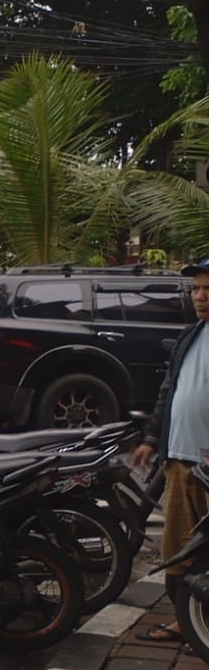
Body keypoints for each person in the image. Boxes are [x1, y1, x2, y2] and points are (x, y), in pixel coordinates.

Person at [132, 256, 209, 648]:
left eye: (208, 290)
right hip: (180, 460)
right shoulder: (190, 336)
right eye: (195, 289)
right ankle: (184, 622)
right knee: (178, 547)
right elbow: (169, 391)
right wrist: (151, 439)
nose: (200, 296)